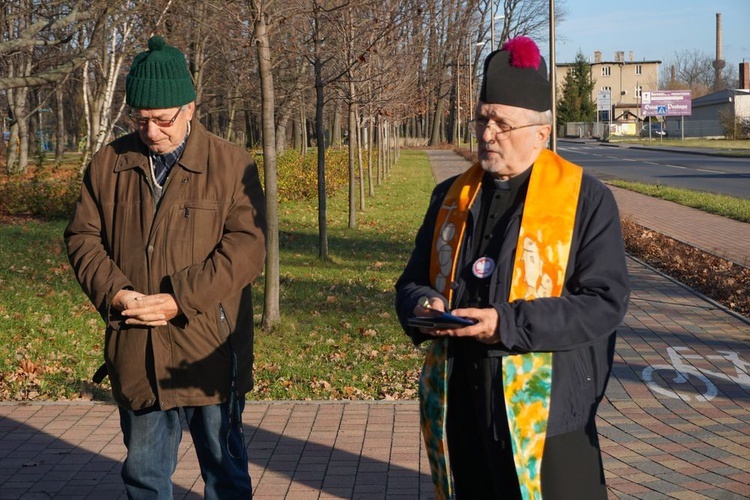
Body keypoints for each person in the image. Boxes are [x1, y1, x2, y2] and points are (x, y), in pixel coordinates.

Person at [395, 36, 629, 499]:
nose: (486, 134)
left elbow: (603, 303)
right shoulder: (450, 196)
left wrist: (506, 324)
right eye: (483, 119)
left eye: (502, 124)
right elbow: (411, 282)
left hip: (548, 412)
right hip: (462, 404)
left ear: (541, 132)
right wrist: (424, 304)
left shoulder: (586, 199)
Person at [65, 35, 266, 499]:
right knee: (144, 478)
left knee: (226, 478)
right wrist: (116, 292)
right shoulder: (107, 164)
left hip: (208, 353)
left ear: (190, 107)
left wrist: (179, 299)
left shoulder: (232, 164)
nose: (151, 131)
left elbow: (247, 248)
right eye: (140, 120)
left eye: (162, 120)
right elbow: (82, 238)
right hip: (137, 351)